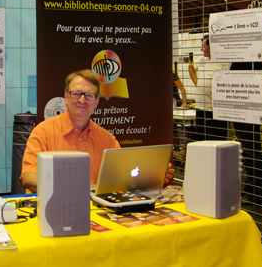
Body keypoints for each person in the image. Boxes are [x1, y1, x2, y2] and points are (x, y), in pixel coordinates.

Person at [20, 69, 174, 193]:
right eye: (76, 94)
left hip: (96, 212)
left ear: (96, 102)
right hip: (53, 208)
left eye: (89, 95)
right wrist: (65, 189)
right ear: (66, 98)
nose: (82, 100)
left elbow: (124, 179)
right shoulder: (43, 132)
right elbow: (28, 177)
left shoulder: (107, 139)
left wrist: (153, 175)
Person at [230, 55, 262, 207]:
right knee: (249, 151)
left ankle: (255, 193)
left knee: (252, 152)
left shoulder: (251, 54)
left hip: (247, 109)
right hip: (245, 109)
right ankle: (251, 190)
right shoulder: (251, 53)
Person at [188, 35, 229, 141]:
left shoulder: (225, 61)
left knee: (215, 138)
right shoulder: (202, 59)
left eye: (203, 46)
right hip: (201, 106)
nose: (201, 49)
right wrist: (198, 83)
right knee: (201, 137)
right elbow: (191, 67)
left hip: (214, 109)